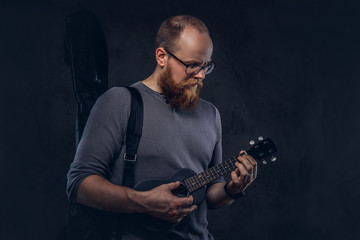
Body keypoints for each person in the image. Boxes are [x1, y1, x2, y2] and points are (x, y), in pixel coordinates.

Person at [66, 15, 257, 240]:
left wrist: (232, 190)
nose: (201, 75)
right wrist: (144, 202)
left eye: (206, 66)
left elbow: (210, 191)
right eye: (192, 65)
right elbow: (79, 185)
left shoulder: (210, 114)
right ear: (162, 56)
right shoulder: (119, 102)